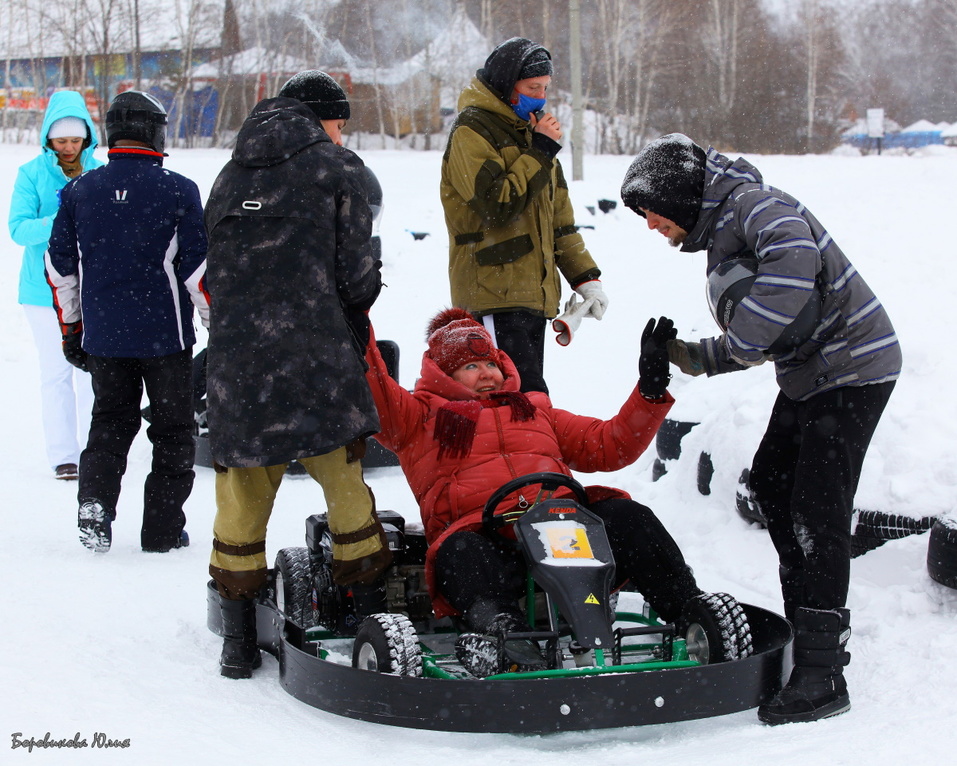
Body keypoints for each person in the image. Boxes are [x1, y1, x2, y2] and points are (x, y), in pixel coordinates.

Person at [620, 133, 901, 725]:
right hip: (813, 376)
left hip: (854, 368)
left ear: (676, 196)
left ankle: (823, 673)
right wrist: (687, 356)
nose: (651, 226)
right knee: (774, 487)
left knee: (816, 508)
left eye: (652, 212)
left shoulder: (756, 204)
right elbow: (768, 328)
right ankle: (810, 624)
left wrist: (735, 343)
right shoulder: (727, 221)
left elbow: (792, 267)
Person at [365, 307, 740, 677]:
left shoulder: (534, 410)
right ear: (445, 375)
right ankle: (505, 637)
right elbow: (374, 387)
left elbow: (611, 444)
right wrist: (356, 320)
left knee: (629, 517)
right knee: (459, 552)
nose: (487, 374)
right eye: (471, 367)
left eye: (491, 364)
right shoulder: (418, 419)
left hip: (565, 532)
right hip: (487, 539)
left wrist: (650, 389)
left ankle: (692, 612)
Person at [204, 71, 391, 680]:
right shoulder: (337, 171)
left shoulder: (228, 176)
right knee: (344, 489)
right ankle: (366, 614)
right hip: (316, 362)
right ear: (318, 119)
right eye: (339, 121)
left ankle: (236, 638)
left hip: (239, 365)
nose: (342, 133)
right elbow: (357, 277)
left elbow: (215, 275)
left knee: (240, 500)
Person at [45, 90, 210, 555]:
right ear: (155, 132)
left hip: (104, 336)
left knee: (109, 425)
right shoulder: (179, 189)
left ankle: (95, 507)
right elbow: (198, 274)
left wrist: (73, 328)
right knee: (173, 433)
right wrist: (215, 326)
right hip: (165, 338)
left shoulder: (80, 190)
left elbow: (59, 269)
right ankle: (161, 532)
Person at [440, 37, 608, 395]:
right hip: (492, 292)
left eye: (545, 88)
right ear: (506, 85)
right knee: (516, 400)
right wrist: (541, 150)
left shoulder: (532, 136)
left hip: (531, 295)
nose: (541, 97)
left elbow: (559, 221)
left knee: (526, 400)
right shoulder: (472, 132)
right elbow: (496, 204)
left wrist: (584, 276)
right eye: (533, 88)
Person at [8, 90, 102, 480]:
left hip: (89, 288)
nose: (68, 148)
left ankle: (93, 451)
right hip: (42, 292)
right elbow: (18, 229)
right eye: (60, 140)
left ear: (87, 138)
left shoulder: (100, 170)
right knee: (57, 372)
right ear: (48, 138)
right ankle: (64, 455)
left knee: (91, 373)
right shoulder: (30, 174)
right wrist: (61, 221)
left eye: (75, 140)